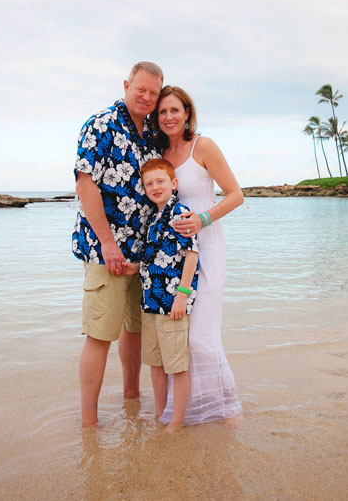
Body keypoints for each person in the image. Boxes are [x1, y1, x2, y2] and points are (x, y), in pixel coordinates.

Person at [73, 62, 163, 428]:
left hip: (143, 254)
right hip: (105, 252)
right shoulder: (101, 124)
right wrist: (109, 244)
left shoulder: (152, 134)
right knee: (100, 335)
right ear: (127, 85)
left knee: (135, 329)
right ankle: (89, 421)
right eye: (141, 89)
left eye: (154, 93)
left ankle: (131, 398)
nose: (147, 97)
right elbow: (85, 184)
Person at [155, 85, 244, 425]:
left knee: (201, 335)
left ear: (187, 113)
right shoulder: (160, 152)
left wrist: (203, 218)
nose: (168, 117)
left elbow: (236, 195)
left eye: (174, 110)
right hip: (172, 258)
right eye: (162, 112)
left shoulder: (202, 146)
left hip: (208, 248)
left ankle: (228, 409)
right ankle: (190, 410)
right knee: (180, 334)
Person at [126, 158, 199, 433]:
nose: (155, 187)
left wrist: (182, 295)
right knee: (155, 363)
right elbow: (154, 256)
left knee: (176, 365)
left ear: (173, 183)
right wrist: (134, 267)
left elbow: (192, 255)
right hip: (150, 303)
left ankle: (177, 421)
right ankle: (160, 414)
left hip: (172, 303)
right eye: (149, 184)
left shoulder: (180, 213)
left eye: (160, 181)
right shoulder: (153, 217)